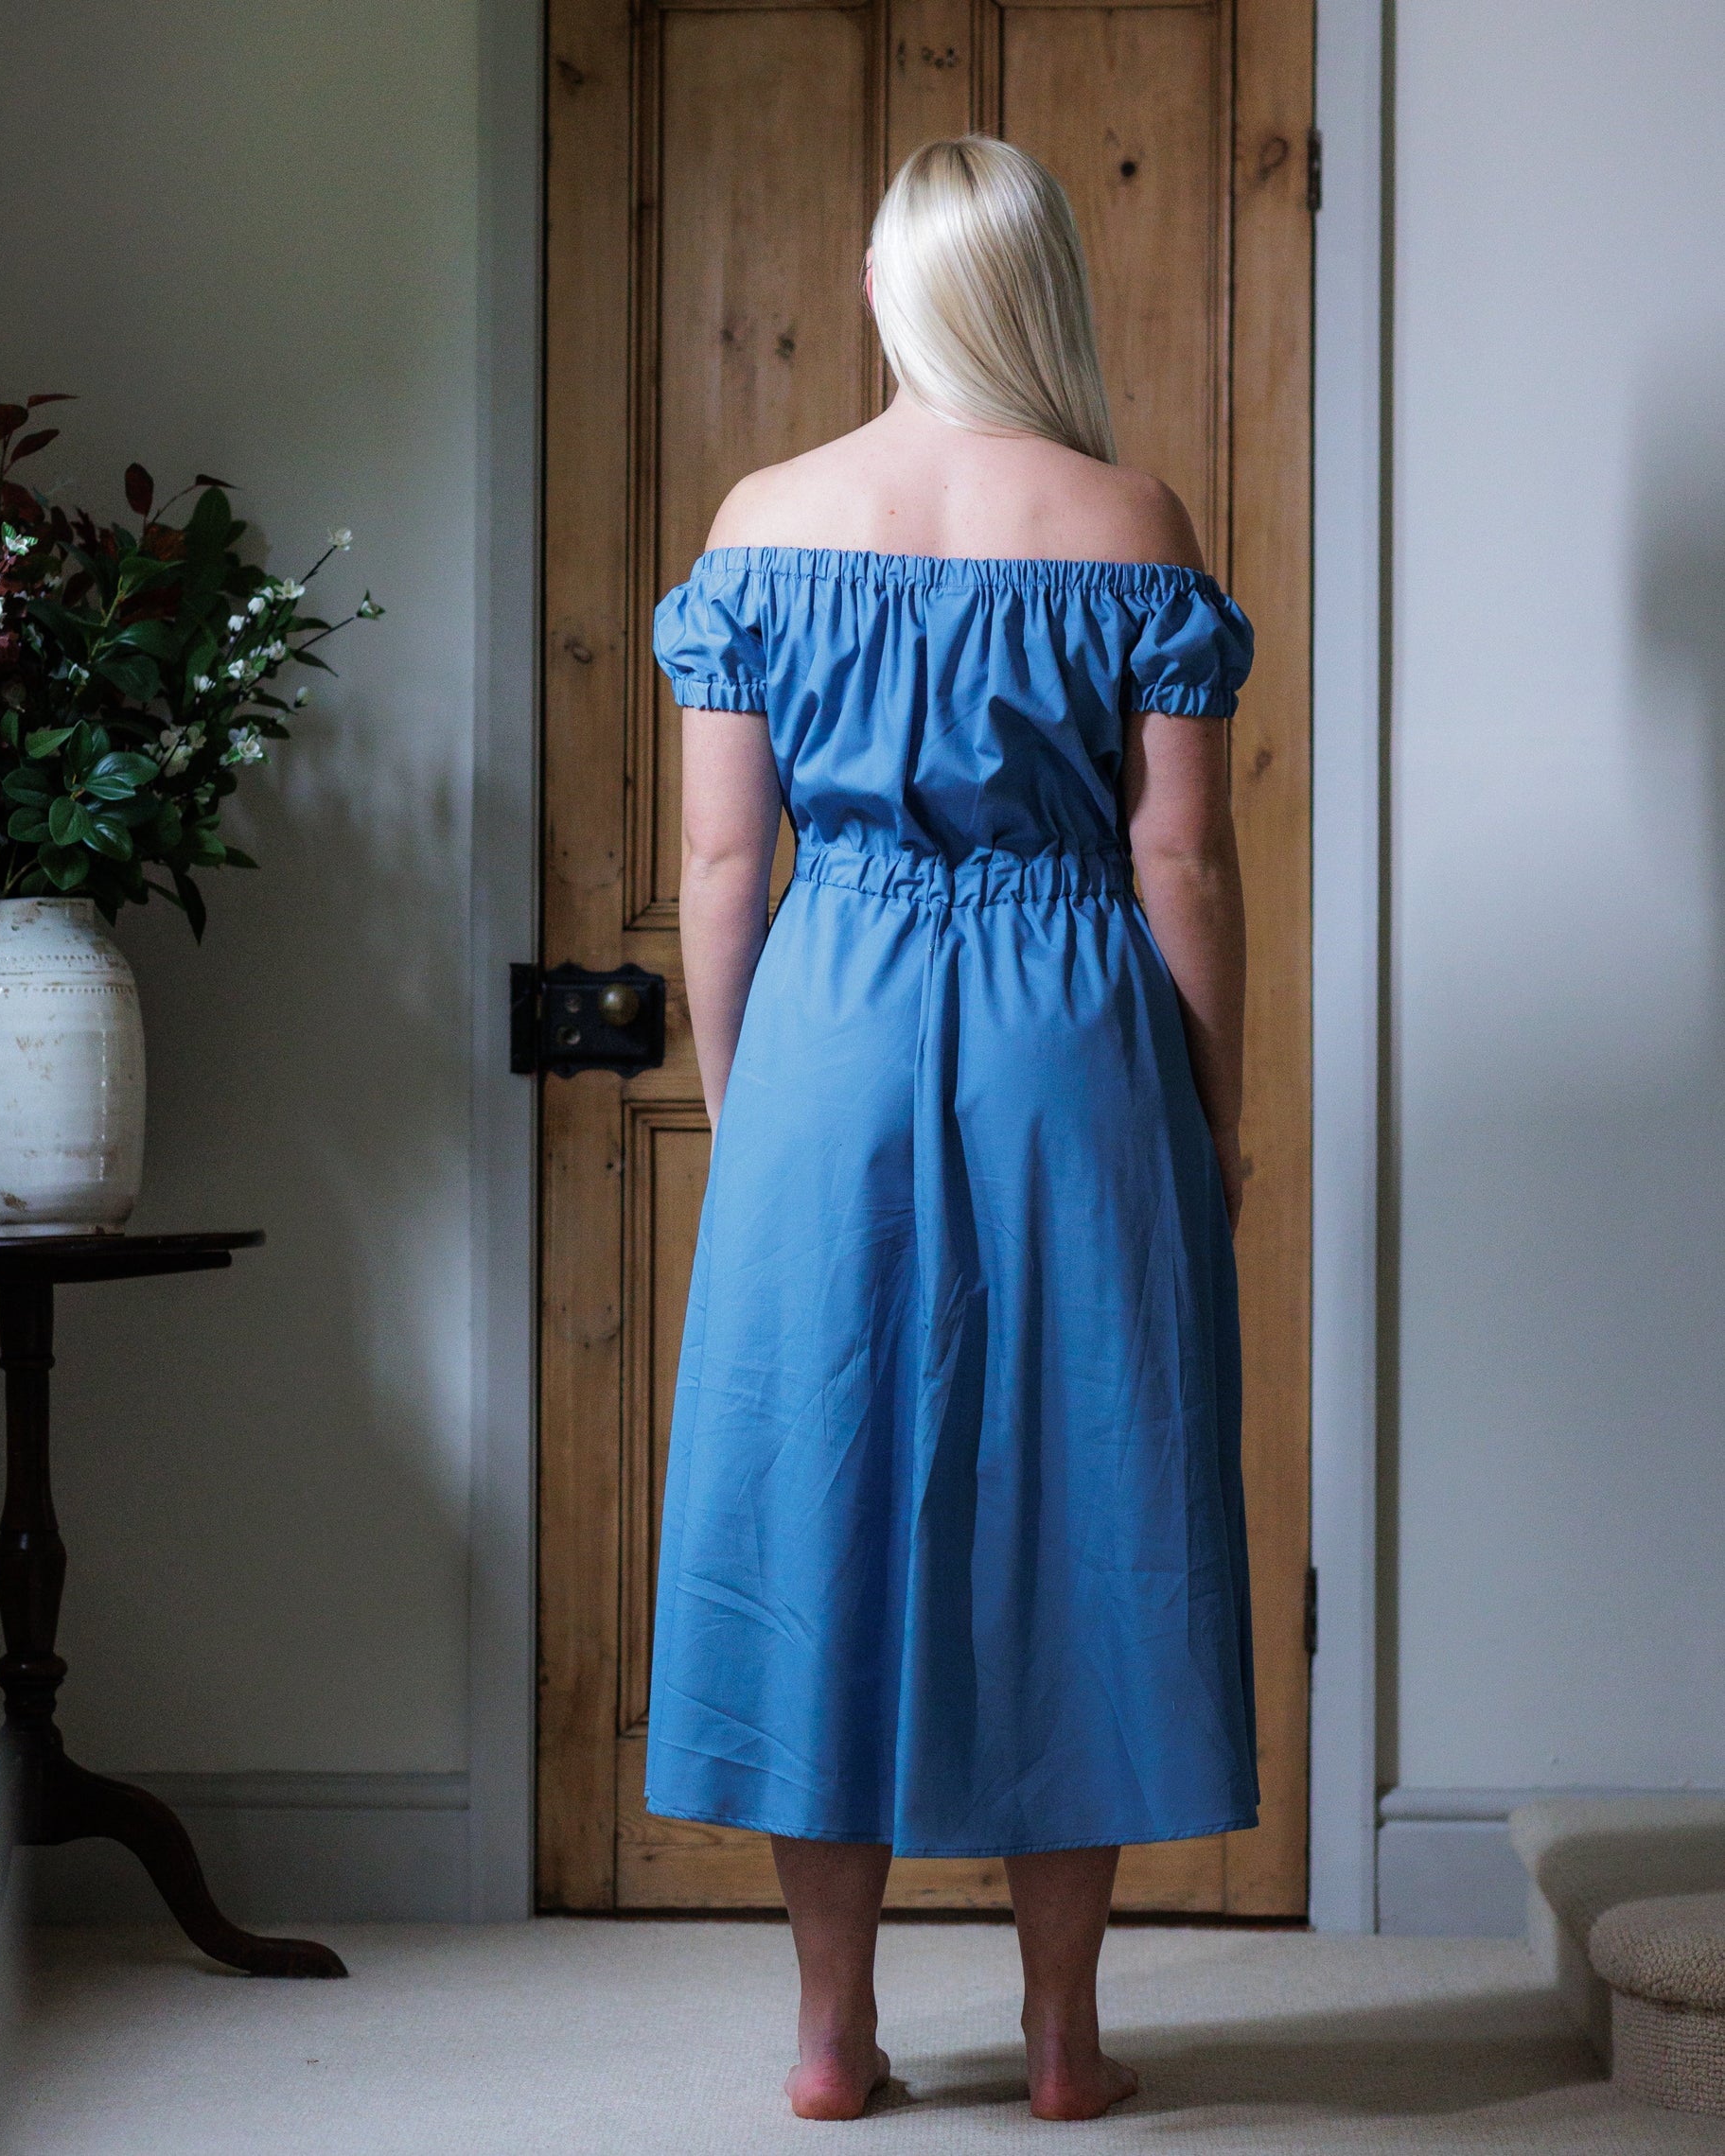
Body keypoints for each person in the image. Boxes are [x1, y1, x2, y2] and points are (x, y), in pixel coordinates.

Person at [647, 135, 1258, 2124]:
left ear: (889, 286)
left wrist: (744, 1113)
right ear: (1042, 289)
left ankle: (832, 2037)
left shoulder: (762, 521)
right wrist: (1206, 1114)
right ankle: (1066, 2037)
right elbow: (1183, 863)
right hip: (1073, 1036)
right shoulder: (1129, 522)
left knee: (812, 1514)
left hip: (828, 1028)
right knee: (1081, 1511)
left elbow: (722, 866)